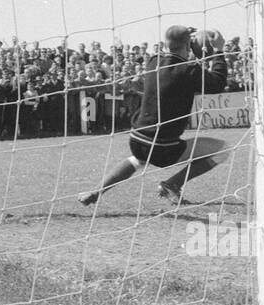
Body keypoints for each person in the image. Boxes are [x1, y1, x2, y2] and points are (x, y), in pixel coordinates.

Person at [78, 25, 230, 208]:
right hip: (164, 149)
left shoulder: (153, 61)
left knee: (138, 159)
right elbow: (217, 83)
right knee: (223, 150)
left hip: (137, 140)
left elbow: (177, 56)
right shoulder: (189, 71)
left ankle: (96, 191)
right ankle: (172, 184)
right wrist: (217, 51)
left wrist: (188, 44)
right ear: (188, 45)